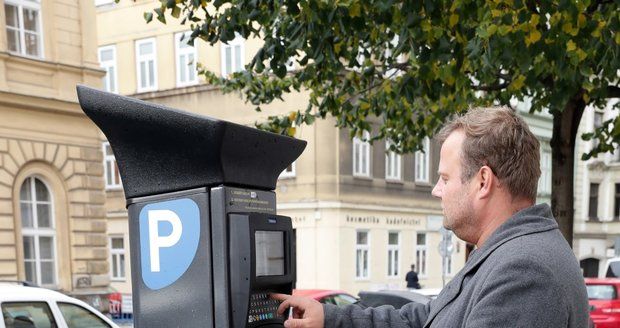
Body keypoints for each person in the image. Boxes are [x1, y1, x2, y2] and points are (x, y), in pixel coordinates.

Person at [272, 107, 589, 327]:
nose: (437, 190)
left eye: (446, 179)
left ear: (483, 181)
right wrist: (330, 318)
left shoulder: (524, 271)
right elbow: (422, 320)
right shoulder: (506, 253)